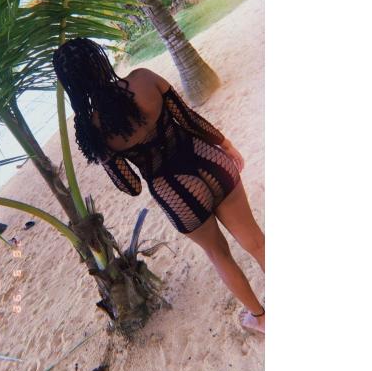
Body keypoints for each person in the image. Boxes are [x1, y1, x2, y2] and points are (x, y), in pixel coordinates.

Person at [52, 38, 265, 333]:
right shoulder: (144, 78)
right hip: (209, 162)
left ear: (72, 86)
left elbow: (131, 186)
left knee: (220, 255)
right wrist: (225, 144)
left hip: (176, 192)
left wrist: (106, 154)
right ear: (100, 60)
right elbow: (189, 120)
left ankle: (260, 318)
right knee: (255, 240)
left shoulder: (94, 129)